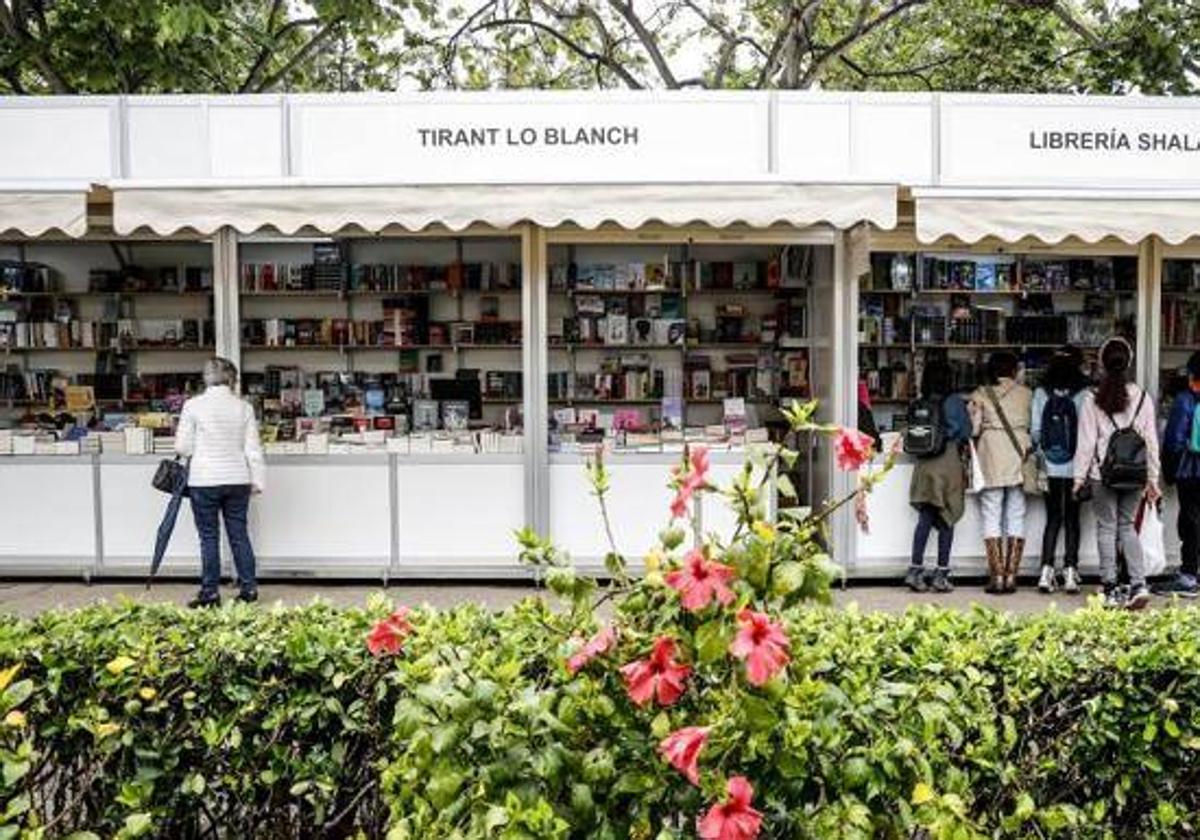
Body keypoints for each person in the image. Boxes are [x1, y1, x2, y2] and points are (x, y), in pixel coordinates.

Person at [1072, 337, 1160, 610]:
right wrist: (1152, 478)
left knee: (1106, 528)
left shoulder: (1092, 399)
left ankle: (1110, 587)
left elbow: (1086, 442)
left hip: (1103, 474)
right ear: (1129, 363)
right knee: (1127, 527)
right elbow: (1151, 441)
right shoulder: (1143, 397)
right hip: (1134, 474)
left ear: (1101, 363)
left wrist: (1078, 478)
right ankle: (1138, 583)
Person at [175, 357, 266, 607]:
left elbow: (182, 447)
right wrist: (257, 480)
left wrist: (201, 447)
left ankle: (210, 593)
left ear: (206, 378)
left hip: (204, 479)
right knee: (239, 534)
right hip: (237, 478)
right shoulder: (243, 408)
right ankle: (248, 589)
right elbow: (253, 449)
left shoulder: (193, 406)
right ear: (231, 378)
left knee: (208, 537)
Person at [969, 351, 1033, 594]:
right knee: (1017, 513)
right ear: (1015, 370)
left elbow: (974, 429)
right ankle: (1011, 576)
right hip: (1019, 452)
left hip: (991, 453)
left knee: (991, 511)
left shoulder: (979, 394)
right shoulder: (1027, 394)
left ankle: (996, 575)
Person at [906, 361, 970, 593]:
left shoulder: (920, 402)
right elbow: (966, 431)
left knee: (925, 516)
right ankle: (941, 574)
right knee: (948, 515)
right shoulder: (953, 402)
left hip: (924, 463)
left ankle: (915, 570)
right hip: (948, 460)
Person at [1030, 347, 1088, 594]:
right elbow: (1086, 433)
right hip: (1075, 467)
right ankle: (1071, 572)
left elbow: (1034, 432)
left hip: (1049, 467)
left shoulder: (1041, 392)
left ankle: (1046, 570)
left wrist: (1043, 454)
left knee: (1052, 517)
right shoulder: (1084, 393)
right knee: (1072, 518)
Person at [1157, 351, 1200, 597]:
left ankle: (1188, 576)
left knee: (1190, 521)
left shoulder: (1185, 400)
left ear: (1191, 374)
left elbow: (1173, 441)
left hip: (1191, 470)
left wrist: (1168, 471)